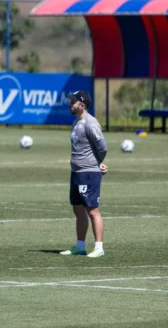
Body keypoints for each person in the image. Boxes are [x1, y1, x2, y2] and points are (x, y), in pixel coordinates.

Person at [60, 91, 108, 258]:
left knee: (92, 210)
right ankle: (80, 246)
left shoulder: (90, 123)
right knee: (78, 209)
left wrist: (97, 162)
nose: (70, 104)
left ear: (82, 105)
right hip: (76, 172)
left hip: (88, 173)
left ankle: (99, 248)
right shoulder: (76, 122)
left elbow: (102, 147)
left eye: (73, 101)